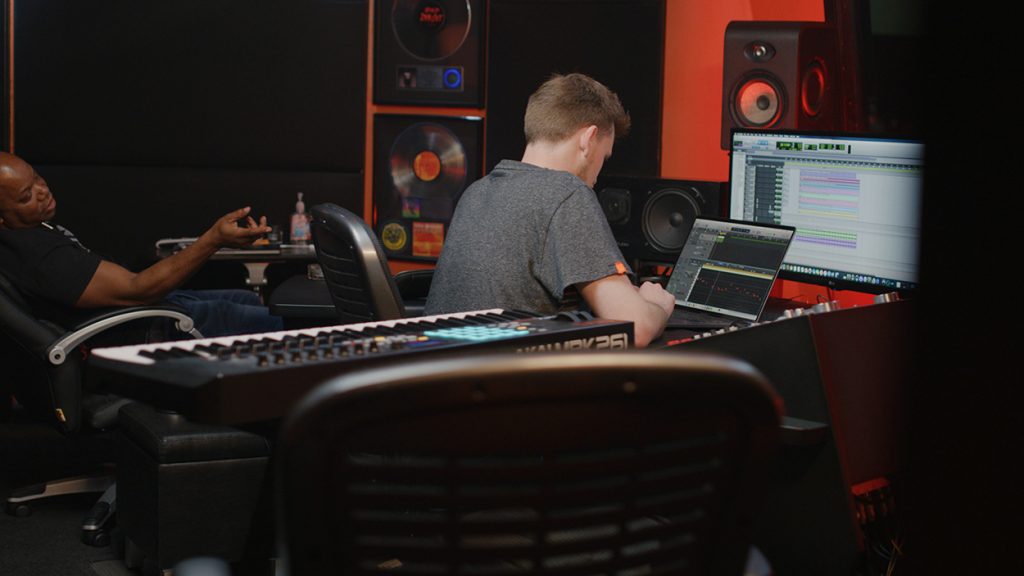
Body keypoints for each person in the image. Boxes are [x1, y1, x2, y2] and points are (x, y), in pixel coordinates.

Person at [425, 73, 674, 347]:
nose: (598, 175)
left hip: (447, 376)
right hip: (512, 382)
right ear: (588, 140)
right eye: (604, 156)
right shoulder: (567, 193)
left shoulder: (477, 191)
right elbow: (635, 327)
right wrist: (656, 304)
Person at [0, 151, 283, 339]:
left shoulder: (30, 232)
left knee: (243, 298)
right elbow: (139, 290)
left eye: (36, 177)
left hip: (151, 309)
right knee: (290, 325)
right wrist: (213, 240)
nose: (42, 190)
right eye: (26, 196)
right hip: (145, 329)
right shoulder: (40, 256)